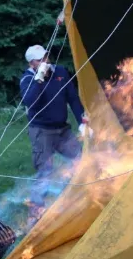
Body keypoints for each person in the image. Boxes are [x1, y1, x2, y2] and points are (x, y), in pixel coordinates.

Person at [20, 44, 88, 176]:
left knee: (81, 160)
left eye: (45, 56)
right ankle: (37, 197)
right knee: (45, 171)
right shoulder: (27, 79)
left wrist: (82, 122)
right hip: (42, 131)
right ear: (31, 63)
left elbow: (72, 98)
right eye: (40, 60)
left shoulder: (60, 72)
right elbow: (30, 101)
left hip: (63, 129)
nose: (45, 61)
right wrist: (39, 79)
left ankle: (81, 192)